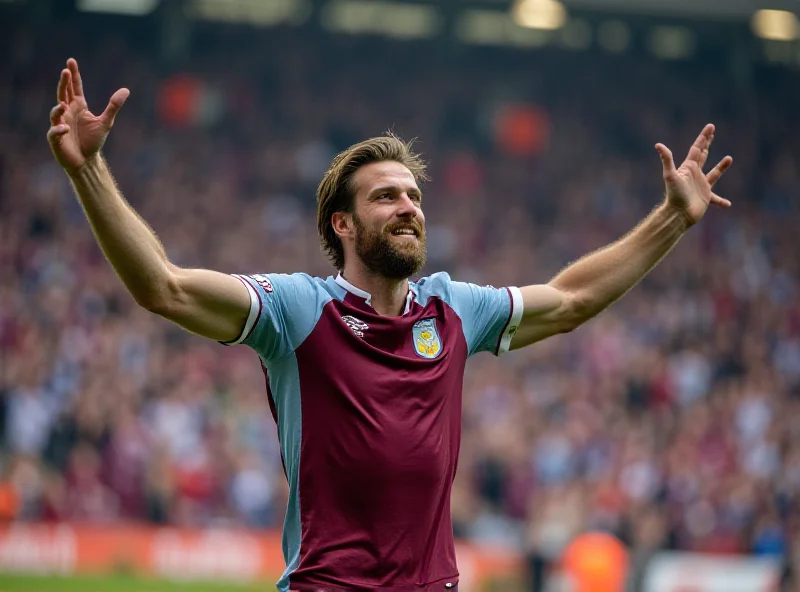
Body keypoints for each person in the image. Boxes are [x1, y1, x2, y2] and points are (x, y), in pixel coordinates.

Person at [46, 58, 733, 592]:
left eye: (412, 194)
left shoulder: (454, 308)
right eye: (385, 196)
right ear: (342, 224)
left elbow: (572, 298)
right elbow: (162, 287)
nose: (408, 206)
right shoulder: (295, 309)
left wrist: (672, 219)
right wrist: (90, 172)